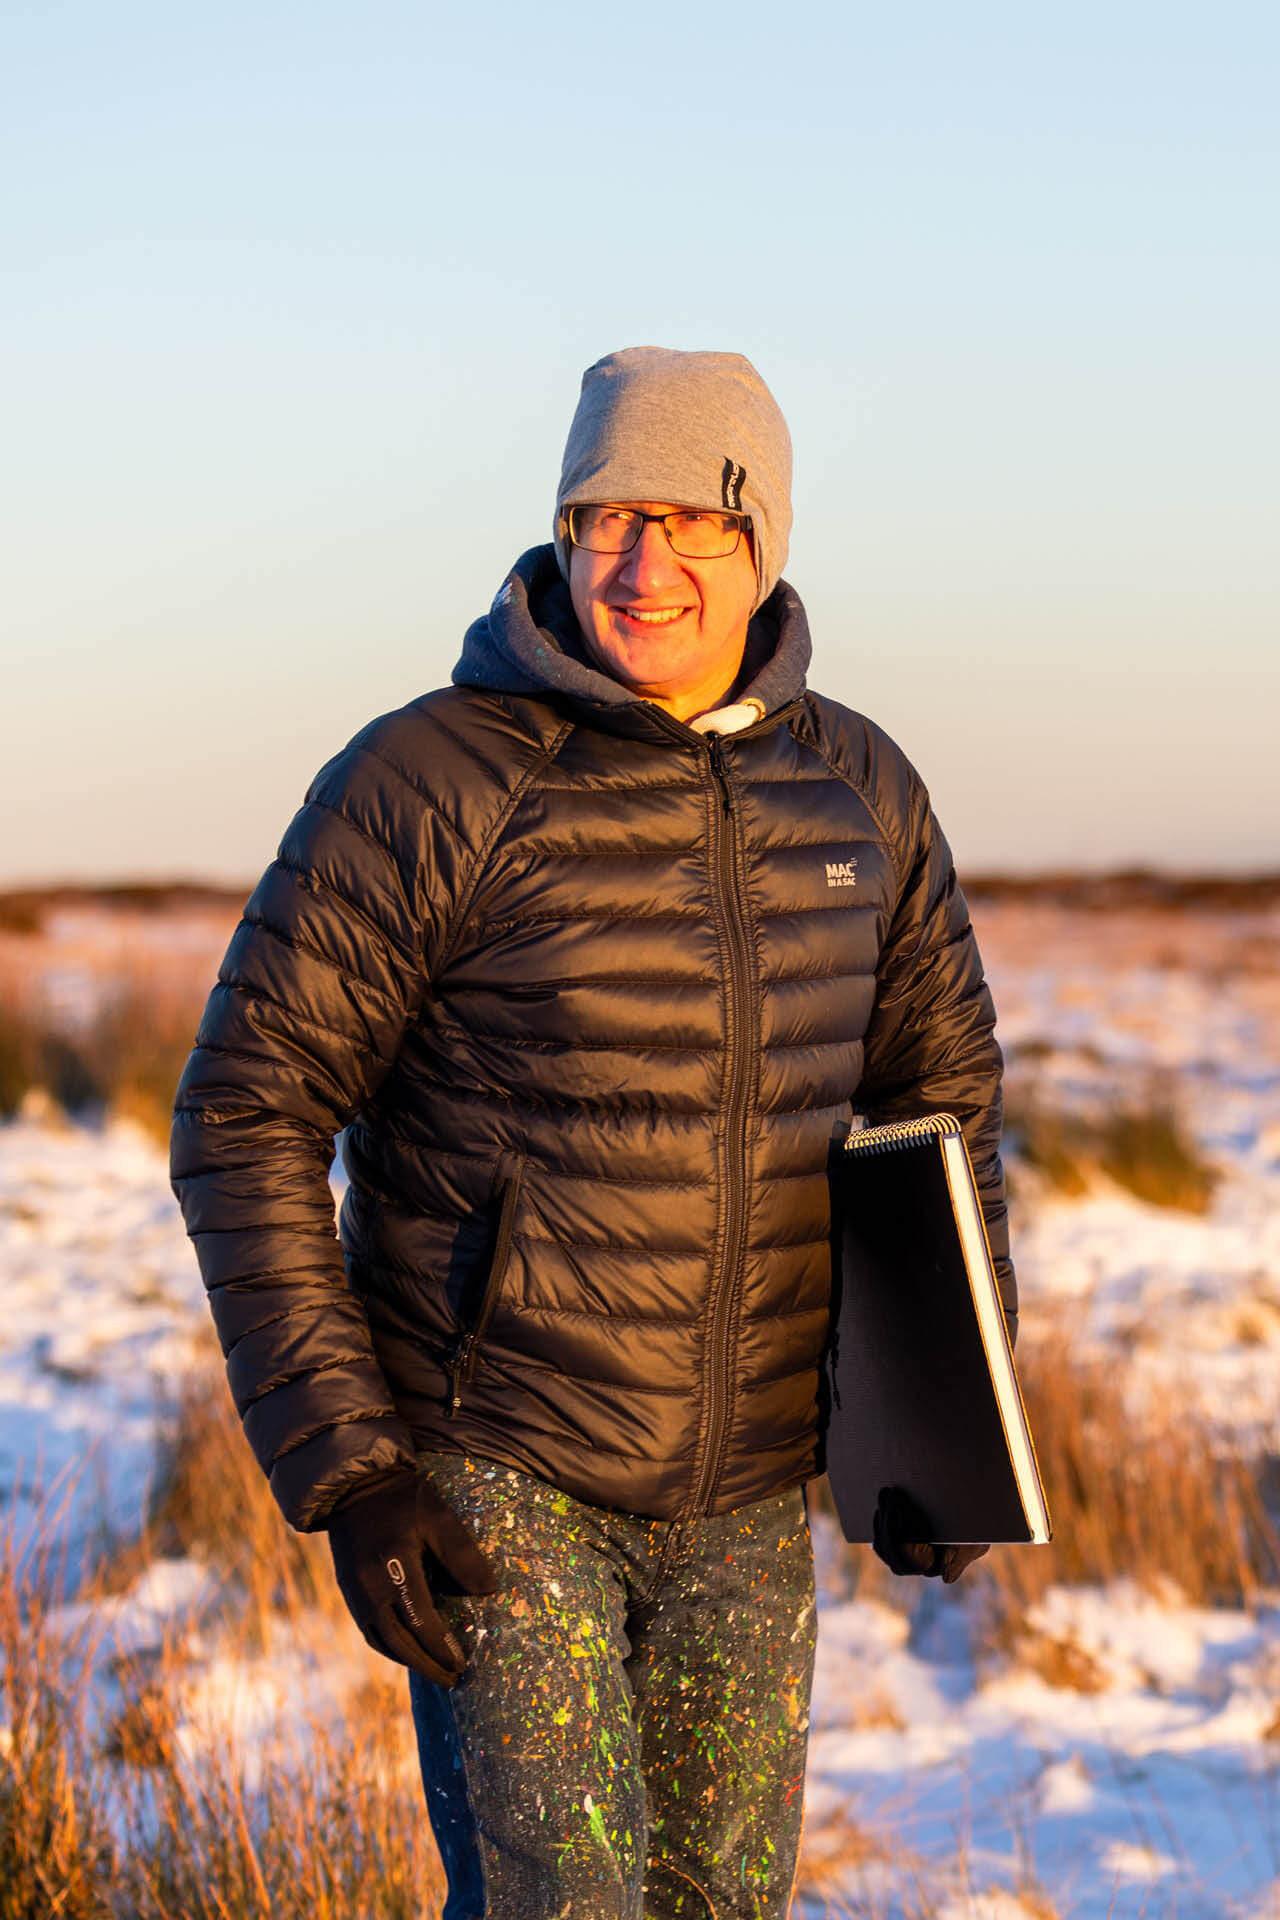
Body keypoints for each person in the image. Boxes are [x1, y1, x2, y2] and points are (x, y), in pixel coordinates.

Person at [170, 346, 1012, 1920]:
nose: (642, 565)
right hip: (500, 1467)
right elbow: (247, 1109)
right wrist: (353, 1472)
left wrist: (949, 1429)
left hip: (755, 1484)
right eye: (603, 516)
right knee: (563, 1901)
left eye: (689, 521)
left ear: (761, 545)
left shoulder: (860, 792)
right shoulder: (430, 778)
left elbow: (941, 1108)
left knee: (721, 1904)